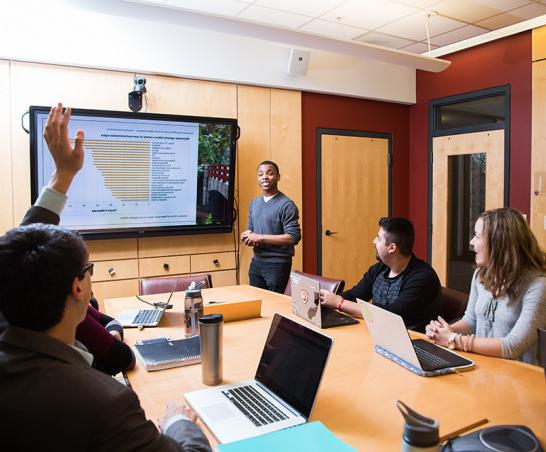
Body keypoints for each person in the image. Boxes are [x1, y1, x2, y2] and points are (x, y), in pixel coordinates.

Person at [0, 104, 211, 451]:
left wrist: (62, 175)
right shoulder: (104, 403)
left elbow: (17, 256)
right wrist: (178, 422)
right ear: (78, 287)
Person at [426, 208, 546, 365]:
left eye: (477, 236)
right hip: (484, 367)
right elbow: (471, 321)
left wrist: (454, 339)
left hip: (520, 379)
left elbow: (513, 346)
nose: (471, 242)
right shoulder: (480, 275)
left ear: (499, 243)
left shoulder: (538, 286)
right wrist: (444, 332)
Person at [320, 217, 441, 332]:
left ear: (392, 248)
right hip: (381, 334)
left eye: (378, 238)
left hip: (412, 343)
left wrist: (339, 303)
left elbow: (390, 315)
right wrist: (325, 299)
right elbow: (355, 295)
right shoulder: (379, 269)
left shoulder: (422, 277)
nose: (373, 241)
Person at [241, 161, 301, 293]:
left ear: (278, 177)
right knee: (256, 302)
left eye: (270, 173)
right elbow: (251, 231)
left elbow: (293, 237)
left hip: (277, 265)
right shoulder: (254, 203)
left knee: (274, 306)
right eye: (260, 174)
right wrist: (247, 236)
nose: (265, 177)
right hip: (257, 262)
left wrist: (259, 237)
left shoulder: (286, 205)